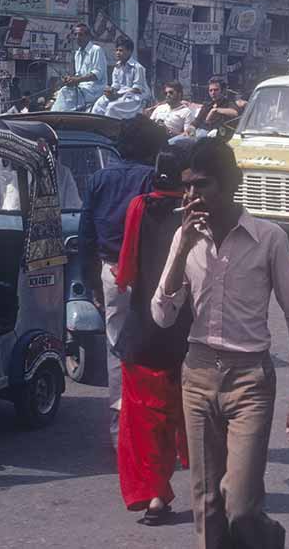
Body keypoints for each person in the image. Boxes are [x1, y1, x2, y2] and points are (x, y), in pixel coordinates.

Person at [152, 139, 289, 549]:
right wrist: (182, 249)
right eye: (186, 186)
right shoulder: (184, 238)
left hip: (250, 381)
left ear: (230, 185)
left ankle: (268, 537)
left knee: (240, 506)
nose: (191, 196)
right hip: (199, 374)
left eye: (201, 186)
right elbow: (163, 313)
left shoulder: (268, 238)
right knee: (206, 504)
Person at [113, 144, 192, 526]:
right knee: (190, 414)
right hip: (188, 332)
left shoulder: (139, 207)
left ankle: (156, 495)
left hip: (145, 329)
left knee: (144, 421)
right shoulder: (196, 215)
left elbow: (125, 272)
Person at [79, 117, 165, 447]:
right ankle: (150, 425)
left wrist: (91, 281)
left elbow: (86, 233)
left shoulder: (101, 178)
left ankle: (121, 429)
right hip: (148, 273)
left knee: (117, 349)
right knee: (151, 349)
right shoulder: (152, 179)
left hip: (111, 273)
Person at [91, 37, 150, 120]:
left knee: (112, 107)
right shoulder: (117, 67)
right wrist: (110, 90)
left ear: (129, 51)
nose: (118, 53)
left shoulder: (138, 67)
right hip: (118, 95)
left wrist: (119, 94)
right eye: (117, 50)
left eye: (121, 50)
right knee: (99, 103)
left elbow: (137, 89)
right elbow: (115, 85)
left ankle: (109, 129)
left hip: (134, 98)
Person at [53, 24, 107, 112]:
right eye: (75, 34)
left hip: (95, 89)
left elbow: (97, 75)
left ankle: (58, 116)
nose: (77, 37)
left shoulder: (96, 50)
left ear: (88, 36)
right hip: (82, 88)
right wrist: (70, 80)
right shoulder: (77, 53)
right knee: (60, 92)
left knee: (65, 92)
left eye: (80, 34)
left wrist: (77, 80)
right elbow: (78, 74)